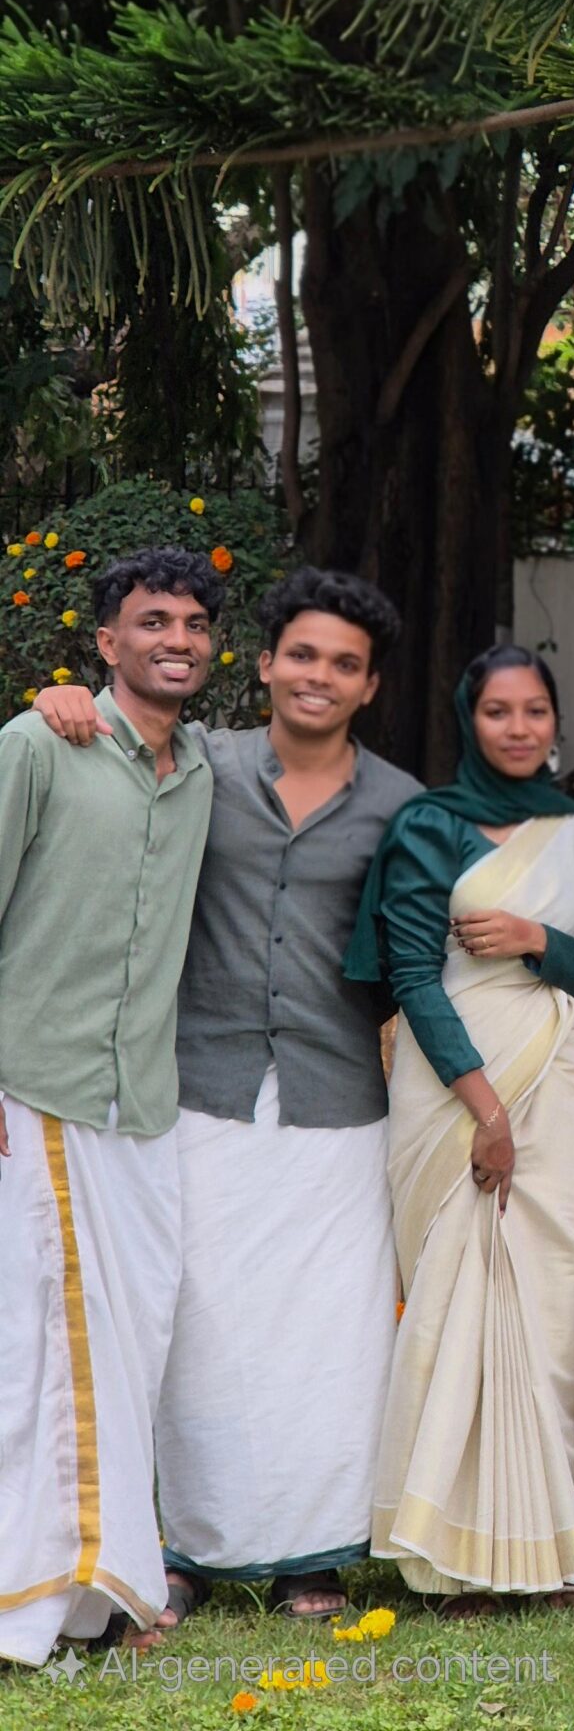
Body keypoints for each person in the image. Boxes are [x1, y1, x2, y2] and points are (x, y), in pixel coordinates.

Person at [31, 567, 417, 1628]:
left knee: (328, 1334)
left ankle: (312, 1558)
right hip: (198, 1088)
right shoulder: (200, 761)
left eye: (345, 663)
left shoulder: (401, 805)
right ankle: (188, 1548)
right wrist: (60, 696)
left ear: (370, 685)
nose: (319, 676)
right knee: (195, 1326)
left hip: (338, 1101)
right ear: (267, 663)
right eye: (303, 654)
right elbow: (113, 742)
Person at [346, 645, 574, 1611]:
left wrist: (539, 941)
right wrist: (486, 1107)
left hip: (559, 1079)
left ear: (556, 723)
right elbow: (412, 976)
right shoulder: (428, 825)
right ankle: (449, 1554)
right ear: (470, 720)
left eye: (535, 711)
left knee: (546, 1303)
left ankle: (544, 1548)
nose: (518, 728)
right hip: (455, 1088)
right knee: (454, 1294)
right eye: (498, 710)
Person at [0, 548, 218, 1664]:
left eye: (194, 624)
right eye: (152, 621)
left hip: (143, 1108)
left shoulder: (204, 770)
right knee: (38, 1348)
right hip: (34, 1087)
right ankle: (25, 1599)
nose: (176, 639)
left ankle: (99, 1588)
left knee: (130, 1342)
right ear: (106, 641)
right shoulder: (41, 744)